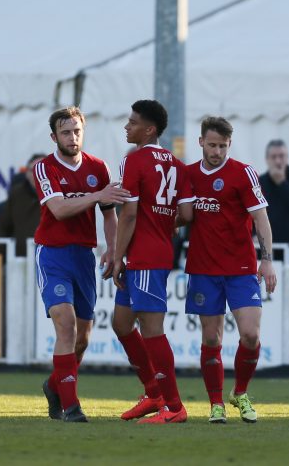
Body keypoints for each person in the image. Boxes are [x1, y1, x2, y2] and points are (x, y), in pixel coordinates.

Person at [34, 106, 129, 423]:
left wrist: (114, 249)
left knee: (83, 339)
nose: (72, 137)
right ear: (53, 136)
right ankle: (71, 407)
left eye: (76, 131)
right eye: (65, 132)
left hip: (83, 257)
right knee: (66, 324)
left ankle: (53, 385)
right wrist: (97, 194)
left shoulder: (97, 168)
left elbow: (109, 213)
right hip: (53, 254)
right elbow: (59, 209)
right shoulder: (45, 168)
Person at [185, 116, 277, 424]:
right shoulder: (187, 176)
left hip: (240, 268)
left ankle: (239, 392)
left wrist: (267, 259)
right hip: (203, 269)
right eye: (211, 145)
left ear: (229, 145)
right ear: (200, 142)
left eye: (222, 146)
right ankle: (215, 403)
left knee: (250, 334)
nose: (217, 152)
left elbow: (261, 218)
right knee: (211, 339)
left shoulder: (242, 173)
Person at [107, 100, 194, 424]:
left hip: (144, 257)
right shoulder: (177, 164)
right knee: (121, 323)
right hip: (151, 252)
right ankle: (153, 392)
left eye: (132, 122)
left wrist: (117, 257)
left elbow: (128, 214)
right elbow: (186, 214)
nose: (126, 127)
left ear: (150, 129)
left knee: (152, 330)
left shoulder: (134, 161)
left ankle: (174, 406)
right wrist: (163, 221)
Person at [0, 153, 45, 256]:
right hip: (20, 259)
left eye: (42, 170)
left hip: (49, 259)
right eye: (33, 170)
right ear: (27, 173)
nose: (37, 175)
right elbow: (4, 228)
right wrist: (2, 258)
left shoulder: (59, 194)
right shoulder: (16, 194)